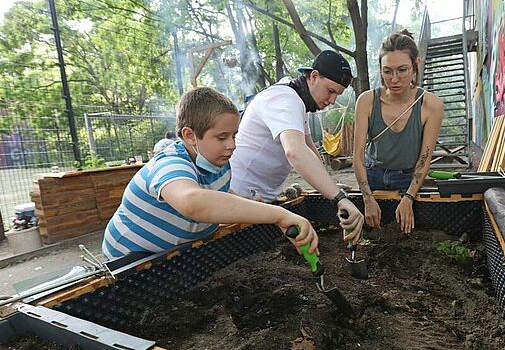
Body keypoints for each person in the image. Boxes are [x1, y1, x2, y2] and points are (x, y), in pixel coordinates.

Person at [102, 87, 319, 260]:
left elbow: (218, 194)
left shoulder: (220, 164)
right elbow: (193, 201)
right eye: (222, 137)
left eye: (235, 135)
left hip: (175, 256)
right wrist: (280, 215)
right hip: (129, 262)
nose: (232, 145)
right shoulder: (169, 164)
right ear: (190, 135)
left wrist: (248, 204)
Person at [230, 50, 364, 244]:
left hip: (263, 201)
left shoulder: (296, 98)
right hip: (240, 197)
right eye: (331, 91)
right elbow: (295, 151)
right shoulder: (285, 99)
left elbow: (310, 150)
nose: (333, 100)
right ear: (314, 76)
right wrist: (339, 198)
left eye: (338, 94)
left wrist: (329, 187)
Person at [353, 30, 444, 234]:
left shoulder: (431, 105)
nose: (394, 79)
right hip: (371, 176)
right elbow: (357, 156)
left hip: (408, 179)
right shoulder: (366, 101)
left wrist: (409, 197)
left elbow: (425, 157)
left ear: (415, 65)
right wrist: (367, 198)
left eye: (402, 70)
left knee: (411, 234)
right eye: (387, 71)